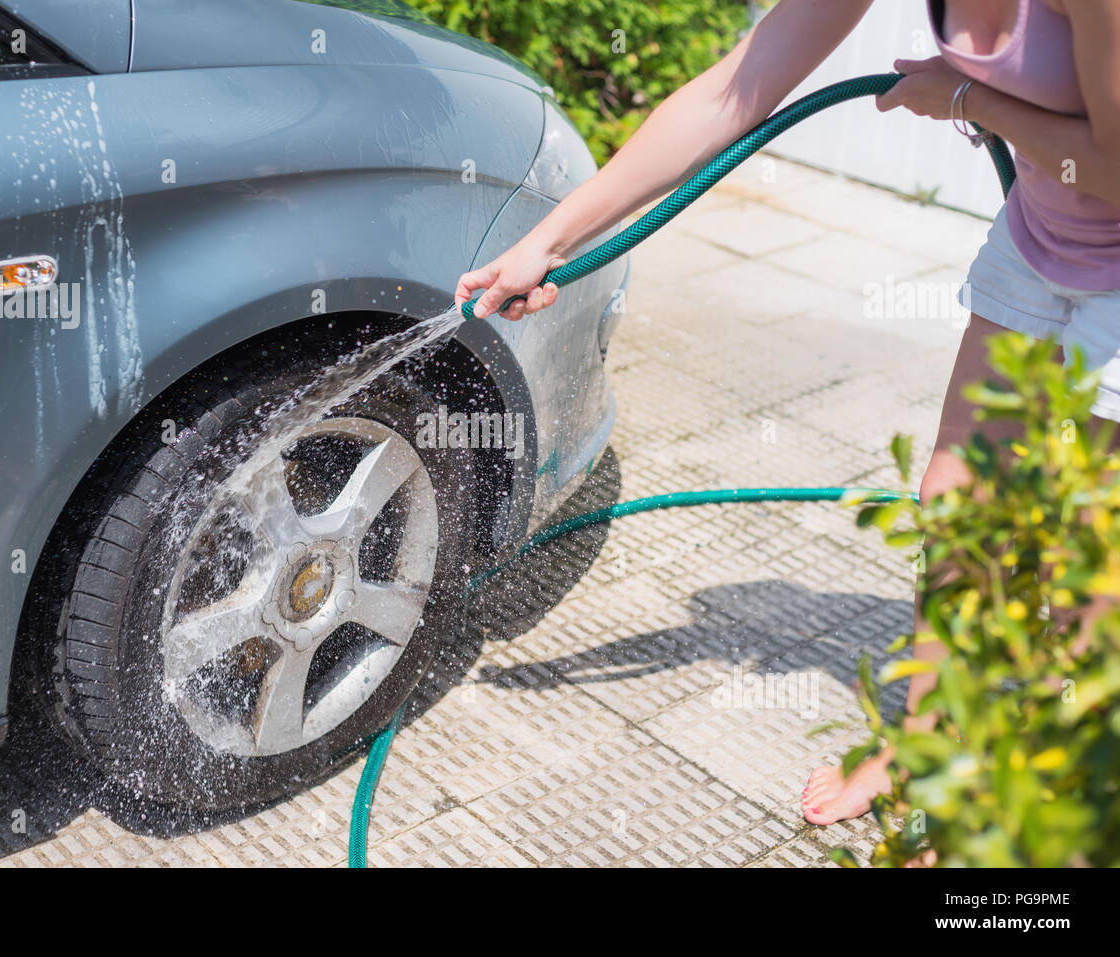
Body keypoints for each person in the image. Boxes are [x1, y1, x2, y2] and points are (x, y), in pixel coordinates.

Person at [454, 0, 1120, 826]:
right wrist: (546, 243)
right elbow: (734, 89)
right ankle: (929, 741)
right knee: (957, 505)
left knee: (1089, 560)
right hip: (1044, 237)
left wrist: (970, 101)